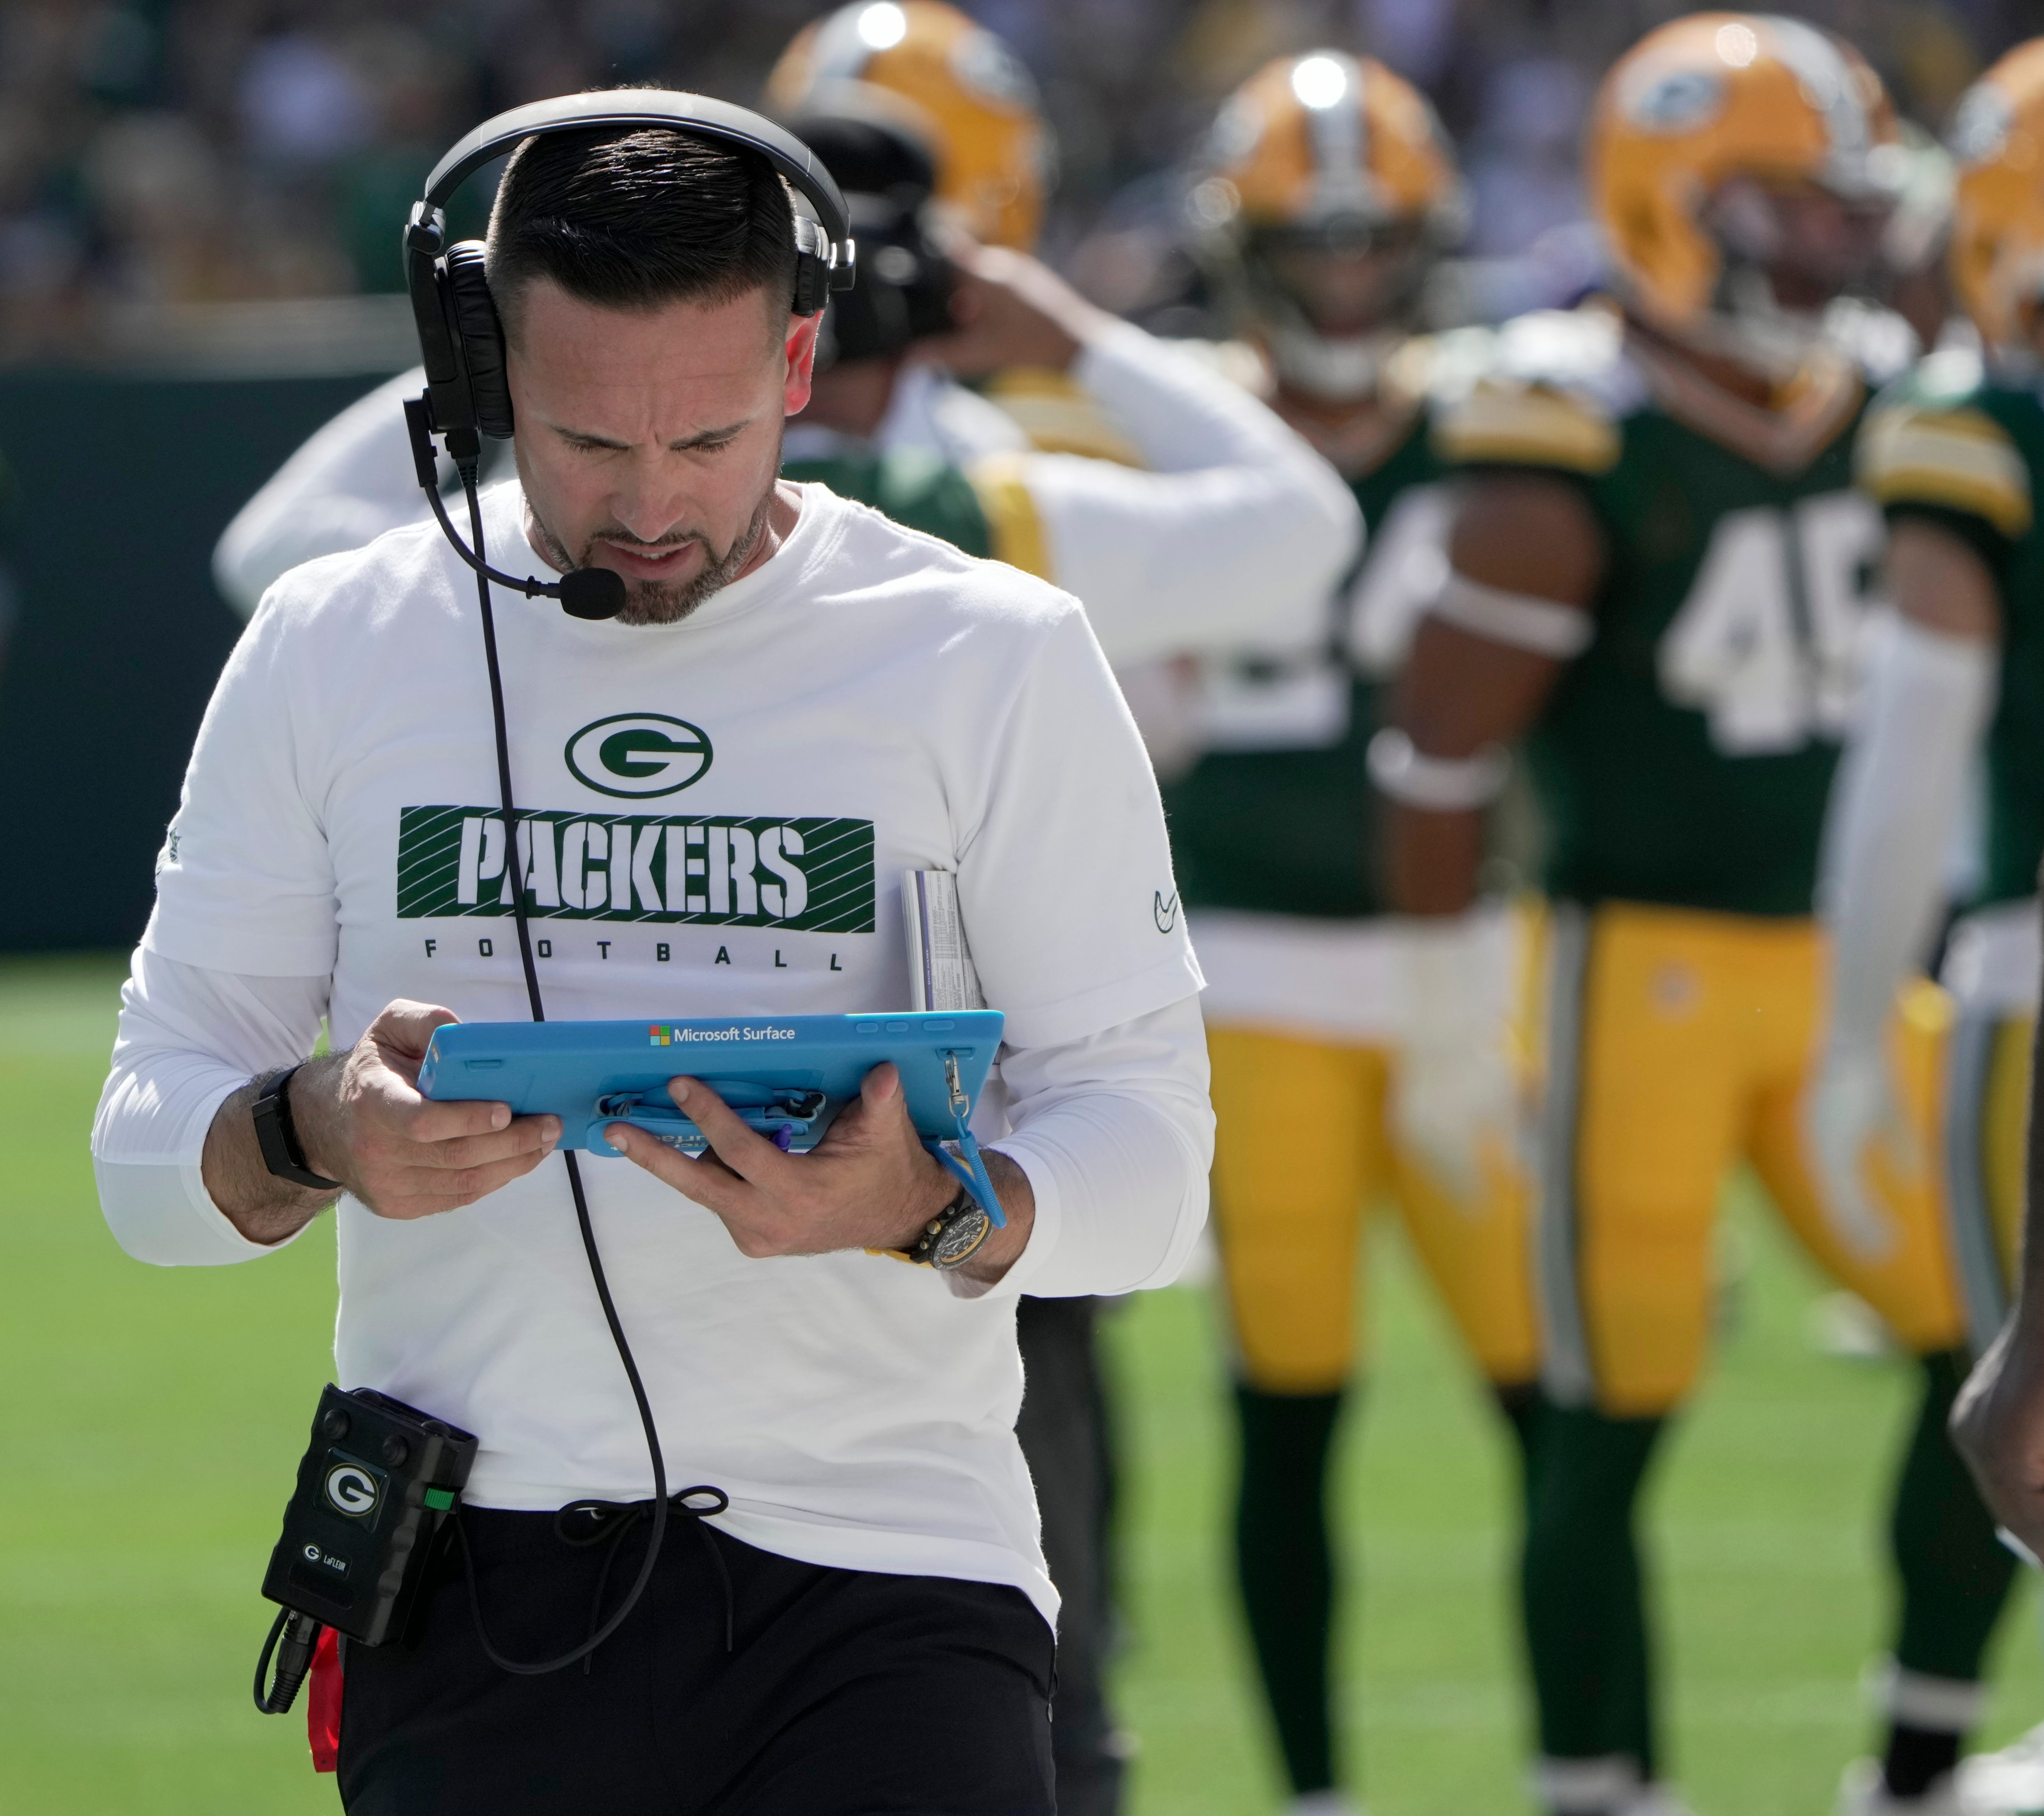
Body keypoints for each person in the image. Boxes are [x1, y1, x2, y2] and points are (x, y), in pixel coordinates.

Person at [92, 101, 1217, 1814]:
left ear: (796, 355)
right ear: (477, 368)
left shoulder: (987, 651)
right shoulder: (334, 644)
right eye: (583, 441)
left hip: (896, 1573)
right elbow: (145, 1163)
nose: (647, 505)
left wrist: (929, 1200)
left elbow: (1153, 1163)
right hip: (466, 1582)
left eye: (704, 436)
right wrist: (318, 1128)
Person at [1383, 18, 1965, 1814]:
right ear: (1660, 209)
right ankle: (1600, 1788)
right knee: (1608, 1415)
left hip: (1856, 972)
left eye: (1838, 213)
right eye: (1781, 213)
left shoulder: (1894, 401)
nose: (1823, 251)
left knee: (1994, 1360)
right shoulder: (1563, 421)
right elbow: (1436, 755)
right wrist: (1442, 1006)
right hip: (1629, 972)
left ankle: (1917, 1760)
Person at [1157, 50, 1532, 1816]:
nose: (1342, 280)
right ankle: (1312, 1792)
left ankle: (1587, 1768)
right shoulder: (1161, 427)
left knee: (1565, 1400)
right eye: (1310, 245)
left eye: (1373, 245)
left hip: (1475, 970)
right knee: (1287, 1411)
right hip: (1251, 976)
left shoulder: (1507, 415)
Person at [1860, 36, 2044, 1812]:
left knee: (2026, 1416)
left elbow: (1906, 763)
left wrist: (1857, 1021)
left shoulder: (1978, 426)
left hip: (2025, 960)